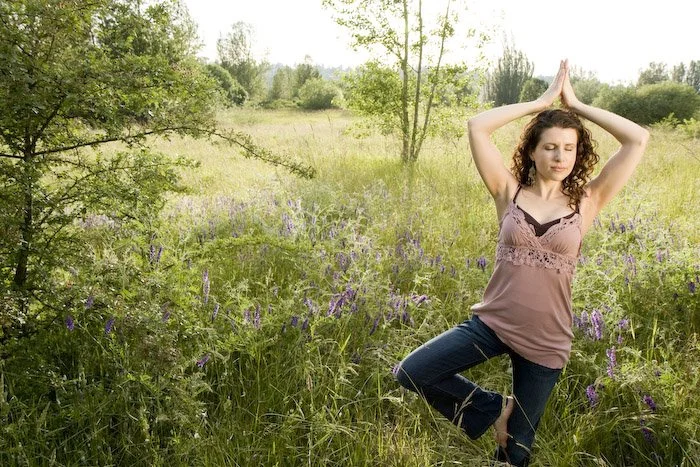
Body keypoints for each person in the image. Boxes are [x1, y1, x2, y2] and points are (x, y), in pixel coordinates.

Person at [394, 60, 649, 466]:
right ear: (532, 150)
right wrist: (541, 102)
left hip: (547, 341)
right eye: (550, 146)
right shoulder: (507, 192)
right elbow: (478, 125)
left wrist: (577, 105)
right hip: (493, 323)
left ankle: (508, 433)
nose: (560, 155)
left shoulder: (588, 202)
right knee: (412, 371)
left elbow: (637, 139)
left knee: (515, 452)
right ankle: (494, 408)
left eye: (569, 147)